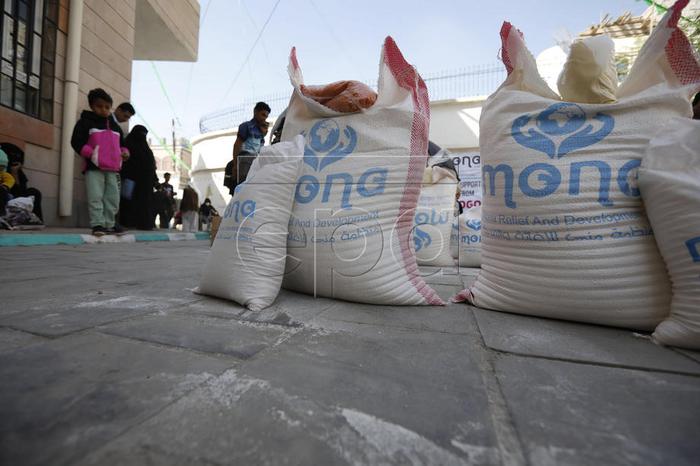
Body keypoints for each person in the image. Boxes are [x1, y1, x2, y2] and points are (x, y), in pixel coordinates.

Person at [70, 88, 130, 236]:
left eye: (107, 107)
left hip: (113, 168)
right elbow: (76, 141)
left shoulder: (115, 126)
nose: (103, 110)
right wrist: (91, 154)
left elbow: (122, 145)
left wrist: (125, 153)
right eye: (99, 106)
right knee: (95, 196)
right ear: (92, 106)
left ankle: (110, 223)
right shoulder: (85, 123)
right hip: (94, 167)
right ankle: (97, 224)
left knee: (112, 197)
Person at [226, 101, 270, 192]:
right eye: (262, 115)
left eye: (266, 116)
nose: (264, 119)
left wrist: (264, 132)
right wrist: (235, 165)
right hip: (245, 161)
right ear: (255, 112)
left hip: (256, 161)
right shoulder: (246, 126)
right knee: (244, 188)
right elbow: (237, 145)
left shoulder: (261, 130)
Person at [120, 125, 157, 230]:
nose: (143, 137)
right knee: (128, 200)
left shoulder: (146, 149)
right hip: (130, 179)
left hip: (145, 182)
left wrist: (155, 180)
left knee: (144, 201)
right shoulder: (128, 144)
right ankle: (128, 222)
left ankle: (144, 223)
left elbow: (151, 166)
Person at [0, 143, 43, 222]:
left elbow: (21, 191)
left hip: (14, 197)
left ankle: (36, 220)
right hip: (4, 198)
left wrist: (15, 173)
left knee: (34, 192)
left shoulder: (15, 173)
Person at [0, 148, 15, 217]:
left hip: (3, 192)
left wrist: (5, 186)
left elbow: (10, 180)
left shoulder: (4, 174)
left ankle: (2, 213)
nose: (1, 169)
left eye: (2, 167)